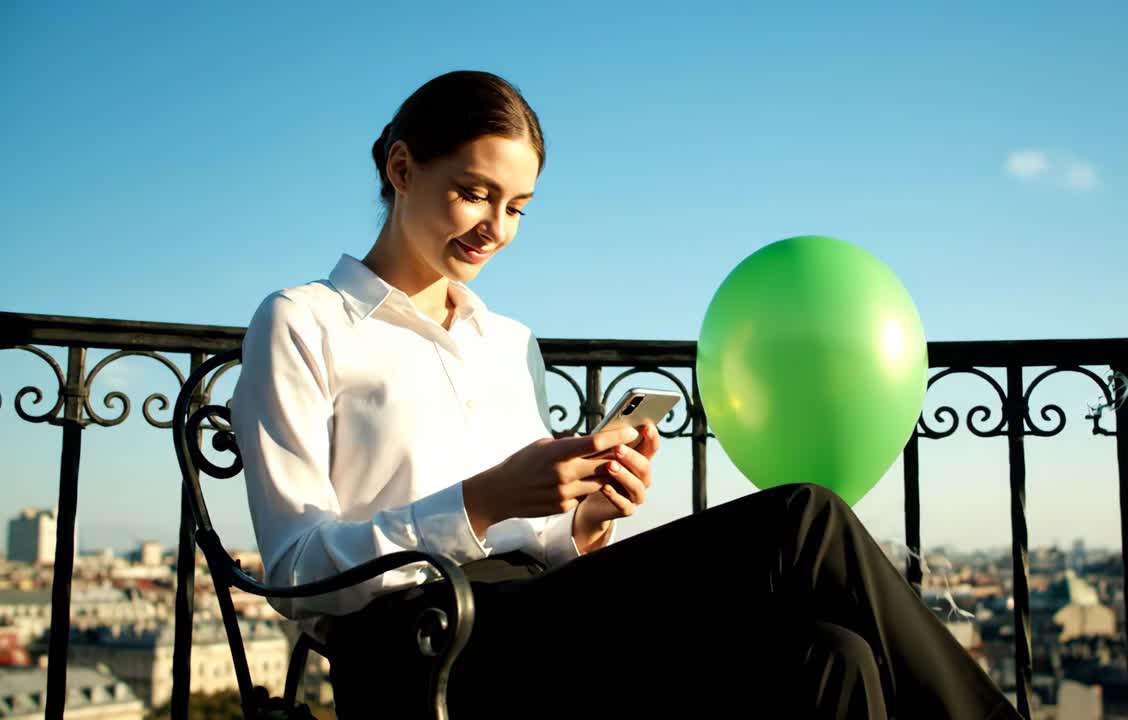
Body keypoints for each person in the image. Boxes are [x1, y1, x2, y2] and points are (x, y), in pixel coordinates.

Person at [230, 70, 1022, 719]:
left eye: (517, 208)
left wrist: (584, 521)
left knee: (833, 655)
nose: (495, 228)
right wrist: (475, 502)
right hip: (424, 647)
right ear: (401, 169)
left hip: (542, 624)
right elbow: (296, 570)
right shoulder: (305, 323)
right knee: (802, 520)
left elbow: (537, 540)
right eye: (475, 194)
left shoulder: (506, 342)